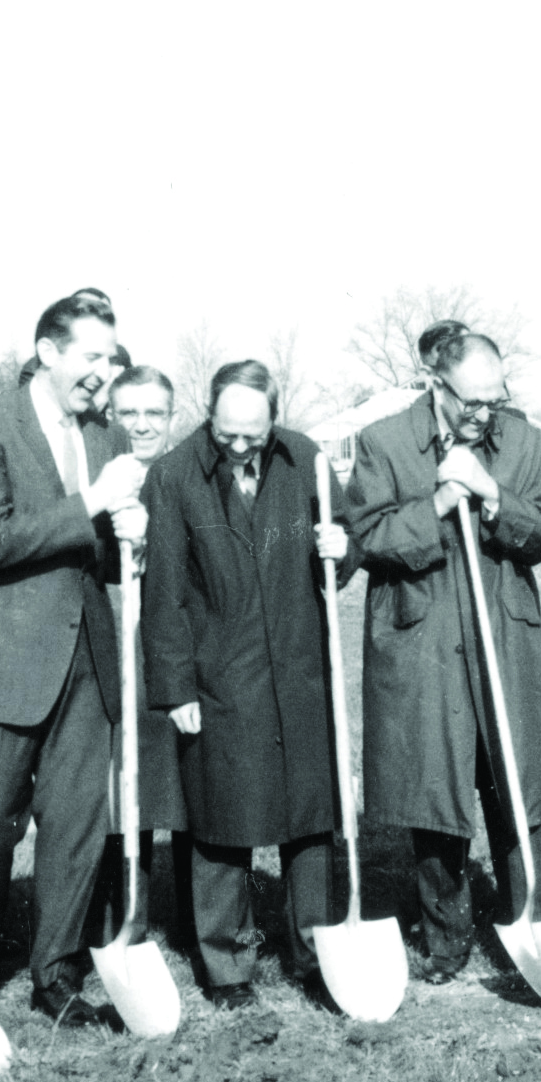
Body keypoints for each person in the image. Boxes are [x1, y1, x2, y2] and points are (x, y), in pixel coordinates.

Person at [341, 323, 541, 985]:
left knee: (517, 784)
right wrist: (443, 500)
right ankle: (447, 938)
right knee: (434, 792)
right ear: (434, 383)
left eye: (493, 398)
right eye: (470, 399)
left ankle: (538, 917)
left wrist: (495, 495)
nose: (483, 412)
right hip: (425, 645)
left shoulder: (523, 439)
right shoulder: (383, 443)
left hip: (504, 637)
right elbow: (369, 536)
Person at [0, 290, 145, 1027]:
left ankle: (56, 972)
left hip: (85, 659)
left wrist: (132, 534)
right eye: (91, 356)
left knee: (75, 821)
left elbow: (107, 556)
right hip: (4, 658)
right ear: (49, 350)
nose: (102, 372)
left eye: (110, 358)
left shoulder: (108, 435)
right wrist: (95, 502)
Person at [141, 361, 355, 1008]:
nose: (238, 445)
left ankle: (314, 952)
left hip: (300, 674)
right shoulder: (175, 474)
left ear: (273, 415)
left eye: (251, 434)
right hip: (220, 679)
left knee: (311, 826)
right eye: (227, 433)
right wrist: (176, 688)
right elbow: (166, 594)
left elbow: (346, 557)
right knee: (220, 825)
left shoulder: (307, 460)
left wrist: (342, 549)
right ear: (211, 416)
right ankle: (226, 967)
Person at [103, 359, 192, 944]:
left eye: (153, 413)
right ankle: (122, 916)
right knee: (121, 772)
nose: (141, 424)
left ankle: (189, 916)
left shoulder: (184, 474)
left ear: (171, 416)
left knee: (182, 774)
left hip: (174, 634)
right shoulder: (99, 472)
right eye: (128, 412)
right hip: (112, 628)